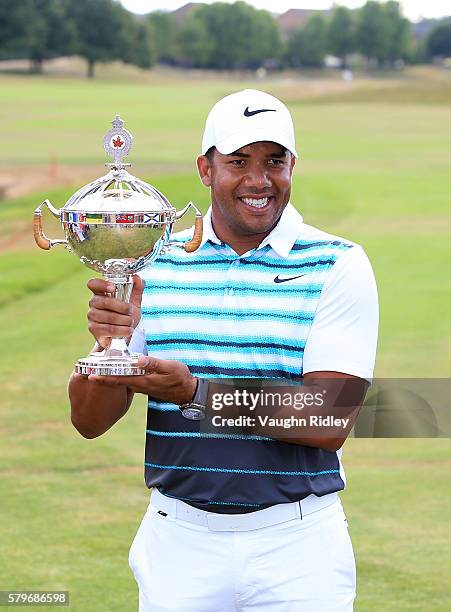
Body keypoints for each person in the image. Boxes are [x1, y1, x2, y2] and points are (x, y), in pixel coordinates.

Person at [69, 89, 378, 611]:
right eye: (238, 162)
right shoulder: (151, 260)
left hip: (299, 545)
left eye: (274, 162)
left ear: (292, 166)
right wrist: (108, 347)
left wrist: (194, 393)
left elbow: (330, 419)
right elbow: (89, 420)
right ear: (205, 169)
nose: (259, 180)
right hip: (179, 540)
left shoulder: (338, 263)